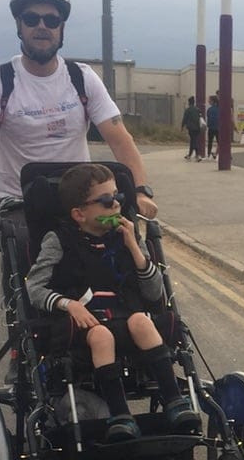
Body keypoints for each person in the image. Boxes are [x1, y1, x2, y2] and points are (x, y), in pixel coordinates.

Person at [0, 0, 158, 238]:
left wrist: (141, 191)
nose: (42, 26)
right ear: (19, 25)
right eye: (32, 19)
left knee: (119, 250)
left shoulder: (81, 77)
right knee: (27, 254)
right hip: (18, 204)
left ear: (61, 27)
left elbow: (120, 140)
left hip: (80, 204)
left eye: (51, 20)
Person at [25, 163, 199, 442]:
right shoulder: (58, 240)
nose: (116, 205)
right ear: (79, 214)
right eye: (106, 201)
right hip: (83, 323)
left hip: (125, 316)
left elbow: (154, 293)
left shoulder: (128, 238)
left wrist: (134, 247)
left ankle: (175, 401)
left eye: (118, 197)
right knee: (102, 336)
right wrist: (68, 304)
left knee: (142, 320)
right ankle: (120, 415)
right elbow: (34, 287)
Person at [181, 96, 204, 161]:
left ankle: (197, 155)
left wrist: (182, 127)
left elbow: (184, 119)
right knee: (193, 140)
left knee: (194, 141)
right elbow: (201, 118)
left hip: (191, 128)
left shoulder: (188, 110)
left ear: (189, 102)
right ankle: (190, 155)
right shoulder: (198, 109)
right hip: (198, 128)